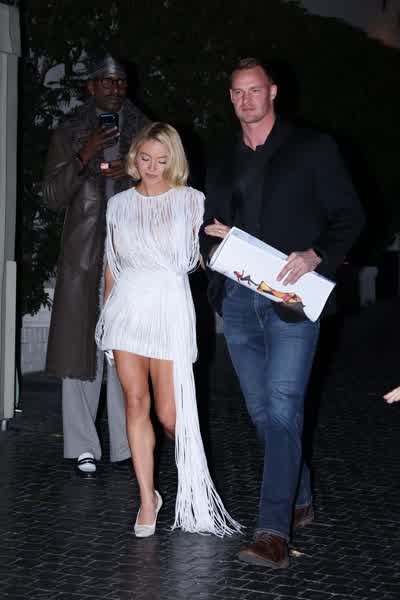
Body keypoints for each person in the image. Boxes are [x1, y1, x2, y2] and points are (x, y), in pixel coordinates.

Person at [200, 57, 365, 568]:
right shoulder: (222, 160)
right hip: (239, 302)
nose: (245, 100)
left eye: (254, 90)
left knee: (283, 407)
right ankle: (300, 494)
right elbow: (207, 226)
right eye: (237, 92)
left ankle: (273, 532)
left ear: (272, 92)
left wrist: (317, 255)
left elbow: (351, 216)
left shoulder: (313, 148)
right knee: (263, 414)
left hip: (293, 302)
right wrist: (210, 250)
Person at [95, 121, 242, 538]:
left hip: (170, 308)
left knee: (171, 417)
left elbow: (208, 256)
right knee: (135, 404)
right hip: (127, 309)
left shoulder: (191, 201)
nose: (152, 167)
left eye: (161, 160)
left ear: (173, 161)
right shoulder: (118, 205)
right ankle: (148, 498)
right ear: (134, 158)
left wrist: (230, 244)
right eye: (145, 158)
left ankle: (194, 479)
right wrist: (105, 318)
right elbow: (112, 265)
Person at [43, 55, 149, 477]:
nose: (115, 88)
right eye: (106, 81)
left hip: (130, 254)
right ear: (91, 87)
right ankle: (83, 445)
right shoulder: (71, 130)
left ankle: (126, 443)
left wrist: (136, 174)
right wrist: (83, 156)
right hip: (84, 254)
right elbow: (51, 195)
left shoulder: (145, 129)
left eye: (121, 81)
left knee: (124, 347)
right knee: (80, 346)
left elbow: (173, 184)